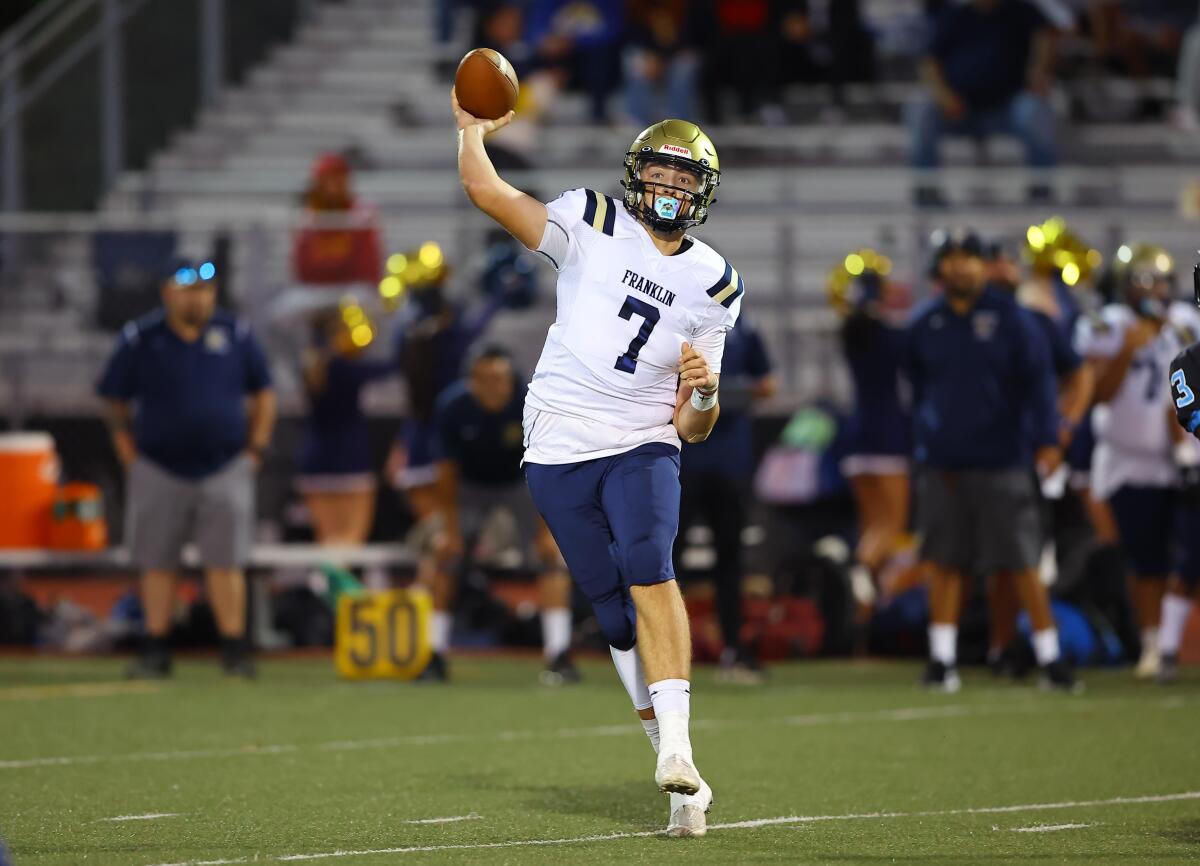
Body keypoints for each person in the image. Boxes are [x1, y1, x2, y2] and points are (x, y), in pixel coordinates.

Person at [455, 94, 737, 837]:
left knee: (651, 562)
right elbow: (487, 192)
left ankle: (676, 745)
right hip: (556, 442)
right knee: (613, 615)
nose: (673, 190)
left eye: (686, 180)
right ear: (638, 177)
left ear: (701, 192)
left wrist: (705, 389)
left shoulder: (714, 282)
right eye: (663, 175)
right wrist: (469, 133)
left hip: (643, 438)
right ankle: (681, 784)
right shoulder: (592, 220)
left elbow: (693, 427)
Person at [906, 230, 1076, 693]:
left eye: (970, 258)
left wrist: (1048, 440)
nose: (962, 267)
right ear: (940, 267)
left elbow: (1040, 386)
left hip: (1005, 458)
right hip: (945, 462)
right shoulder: (924, 324)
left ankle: (1050, 658)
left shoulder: (1014, 320)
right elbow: (918, 393)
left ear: (984, 265)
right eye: (953, 259)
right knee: (944, 561)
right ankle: (942, 660)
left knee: (1022, 562)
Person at [96, 258, 276, 679]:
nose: (197, 296)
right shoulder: (141, 338)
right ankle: (155, 646)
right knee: (157, 560)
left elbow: (264, 392)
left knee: (226, 561)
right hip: (158, 467)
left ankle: (233, 647)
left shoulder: (236, 334)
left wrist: (257, 448)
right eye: (188, 288)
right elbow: (113, 397)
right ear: (167, 291)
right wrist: (129, 454)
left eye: (205, 289)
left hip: (225, 464)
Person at [1075, 244, 1200, 679]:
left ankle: (1168, 642)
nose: (1150, 289)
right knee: (1147, 559)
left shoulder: (1185, 323)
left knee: (1185, 558)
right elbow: (1096, 395)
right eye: (1140, 281)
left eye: (1157, 280)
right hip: (1128, 460)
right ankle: (1152, 642)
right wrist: (1128, 350)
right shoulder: (1109, 326)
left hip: (1180, 457)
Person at [425, 346, 578, 684]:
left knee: (552, 555)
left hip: (520, 482)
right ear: (471, 381)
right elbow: (446, 473)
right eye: (484, 379)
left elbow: (546, 464)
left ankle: (559, 652)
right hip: (468, 487)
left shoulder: (531, 403)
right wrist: (449, 531)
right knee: (444, 555)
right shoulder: (453, 407)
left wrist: (544, 528)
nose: (493, 387)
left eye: (499, 379)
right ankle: (433, 653)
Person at [983, 237, 1094, 675]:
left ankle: (1045, 649)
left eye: (1005, 262)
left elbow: (1079, 374)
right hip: (988, 455)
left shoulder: (1033, 321)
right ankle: (1004, 647)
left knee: (1030, 558)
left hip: (1030, 454)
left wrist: (1063, 427)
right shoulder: (957, 325)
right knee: (998, 563)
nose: (1002, 270)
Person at [674, 315, 775, 683]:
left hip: (729, 462)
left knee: (730, 559)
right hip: (682, 458)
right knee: (668, 560)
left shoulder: (744, 328)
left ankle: (732, 647)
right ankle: (665, 653)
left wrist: (717, 390)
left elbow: (767, 384)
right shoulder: (677, 320)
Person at [907, 0, 1059, 206]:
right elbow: (928, 62)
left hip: (1007, 108)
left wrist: (1039, 71)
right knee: (921, 108)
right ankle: (926, 189)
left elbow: (1044, 37)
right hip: (959, 110)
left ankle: (1042, 187)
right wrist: (945, 96)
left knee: (1033, 110)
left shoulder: (1021, 11)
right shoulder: (953, 15)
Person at [829, 250, 911, 619]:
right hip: (887, 435)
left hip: (856, 435)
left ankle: (866, 616)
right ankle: (858, 568)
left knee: (870, 525)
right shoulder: (889, 335)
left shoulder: (851, 330)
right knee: (890, 527)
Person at [297, 302, 393, 545]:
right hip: (351, 461)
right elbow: (390, 366)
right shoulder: (343, 367)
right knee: (351, 543)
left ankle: (326, 584)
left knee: (327, 542)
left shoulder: (311, 364)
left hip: (315, 462)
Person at [292, 153, 382, 286]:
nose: (333, 187)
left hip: (353, 286)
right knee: (288, 305)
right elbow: (303, 267)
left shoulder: (362, 215)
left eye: (337, 179)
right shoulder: (308, 217)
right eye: (328, 180)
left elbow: (368, 267)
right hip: (315, 288)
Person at [623, 0, 703, 126]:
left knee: (685, 67)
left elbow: (692, 36)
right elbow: (631, 34)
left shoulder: (686, 6)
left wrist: (665, 57)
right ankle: (636, 120)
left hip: (677, 54)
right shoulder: (637, 5)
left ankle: (678, 123)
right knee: (636, 62)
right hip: (649, 53)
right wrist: (651, 56)